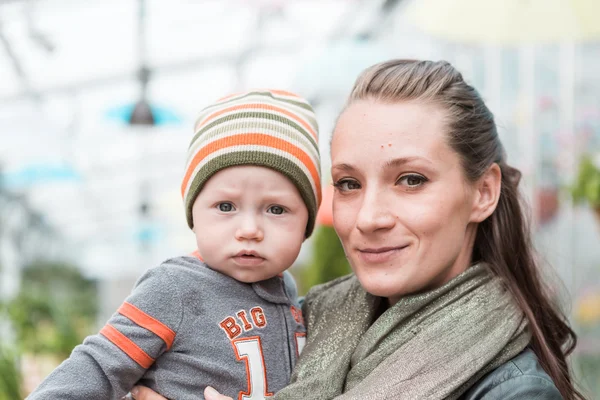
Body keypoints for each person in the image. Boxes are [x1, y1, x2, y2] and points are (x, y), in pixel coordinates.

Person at [134, 60, 586, 400]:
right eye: (349, 184)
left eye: (411, 180)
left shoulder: (512, 391)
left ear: (483, 192)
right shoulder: (296, 325)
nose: (369, 217)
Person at [27, 89, 322, 400]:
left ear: (306, 224)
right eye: (225, 206)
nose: (249, 230)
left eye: (276, 209)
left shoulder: (287, 291)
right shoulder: (175, 288)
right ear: (193, 212)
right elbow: (99, 366)